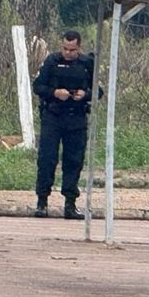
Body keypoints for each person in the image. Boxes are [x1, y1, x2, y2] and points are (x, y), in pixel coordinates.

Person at [32, 30, 103, 220]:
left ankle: (70, 204)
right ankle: (42, 202)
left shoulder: (87, 64)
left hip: (76, 118)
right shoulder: (52, 62)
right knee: (47, 159)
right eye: (65, 48)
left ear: (79, 47)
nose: (68, 52)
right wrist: (55, 92)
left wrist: (85, 95)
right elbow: (38, 86)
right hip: (53, 116)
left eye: (72, 49)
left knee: (73, 161)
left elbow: (98, 91)